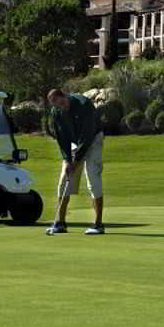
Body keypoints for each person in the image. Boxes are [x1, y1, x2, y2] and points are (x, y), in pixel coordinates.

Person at [46, 88, 105, 235]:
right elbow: (62, 138)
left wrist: (76, 161)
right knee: (64, 181)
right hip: (74, 142)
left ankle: (98, 224)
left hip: (93, 140)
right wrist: (67, 160)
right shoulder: (56, 113)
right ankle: (60, 223)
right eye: (57, 106)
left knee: (93, 179)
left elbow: (87, 136)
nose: (61, 107)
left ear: (66, 96)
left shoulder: (83, 104)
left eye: (62, 103)